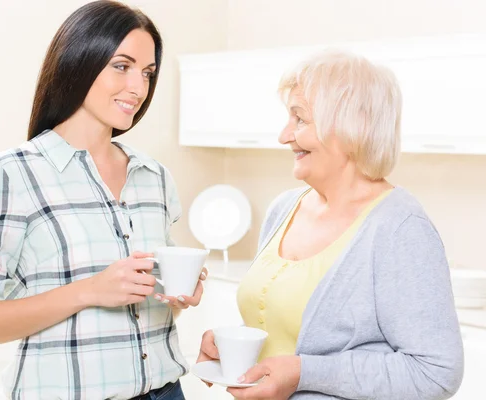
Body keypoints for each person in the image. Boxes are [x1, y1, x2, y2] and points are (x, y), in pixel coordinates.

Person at [0, 2, 206, 399]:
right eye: (122, 66)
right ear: (79, 61)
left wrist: (177, 295)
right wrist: (89, 290)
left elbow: (150, 306)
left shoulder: (153, 176)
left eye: (147, 73)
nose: (138, 87)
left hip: (167, 391)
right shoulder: (13, 173)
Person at [197, 50, 464, 399]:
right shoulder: (284, 208)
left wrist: (304, 373)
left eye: (300, 120)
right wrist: (232, 347)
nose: (284, 136)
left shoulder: (400, 228)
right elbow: (286, 334)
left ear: (354, 126)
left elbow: (437, 372)